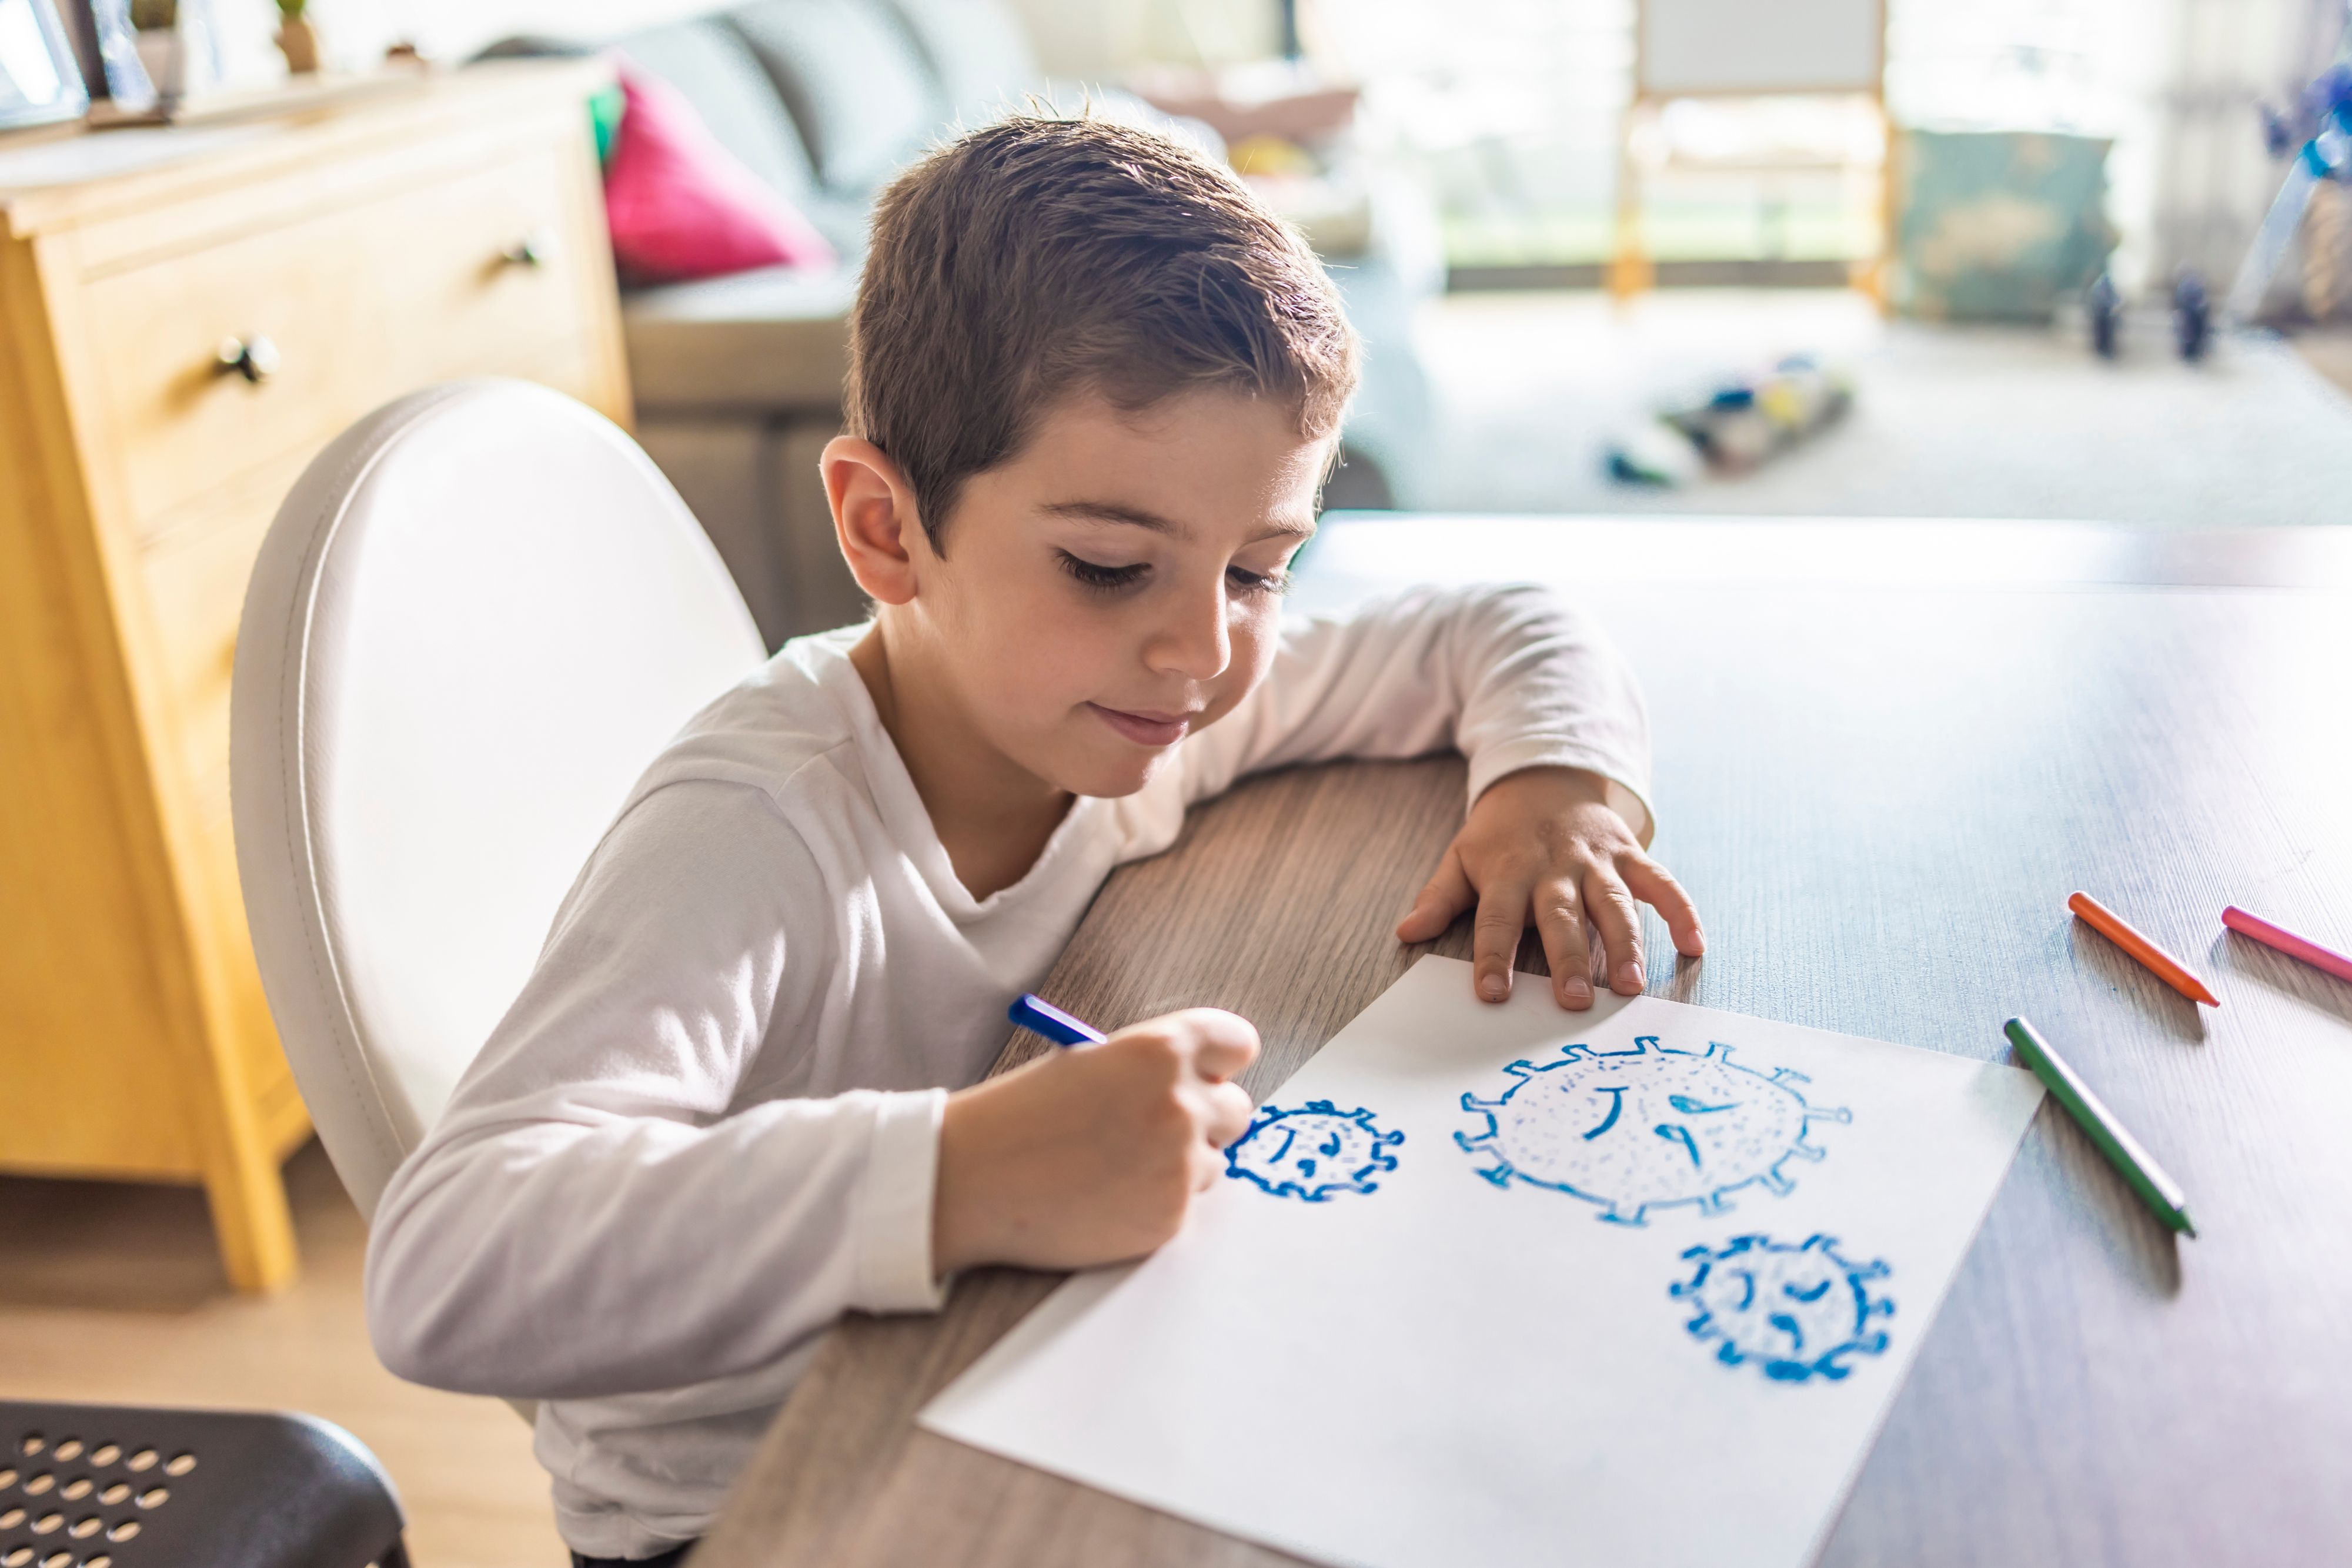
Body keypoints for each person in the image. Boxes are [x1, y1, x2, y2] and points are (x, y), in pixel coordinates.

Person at [364, 112, 1706, 1567]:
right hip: (765, 1497)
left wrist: (1554, 787)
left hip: (1022, 1361)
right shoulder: (756, 831)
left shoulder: (1134, 698)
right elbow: (445, 1264)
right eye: (1108, 564)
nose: (1202, 648)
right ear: (886, 531)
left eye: (1260, 567)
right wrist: (958, 1173)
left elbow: (1499, 622)